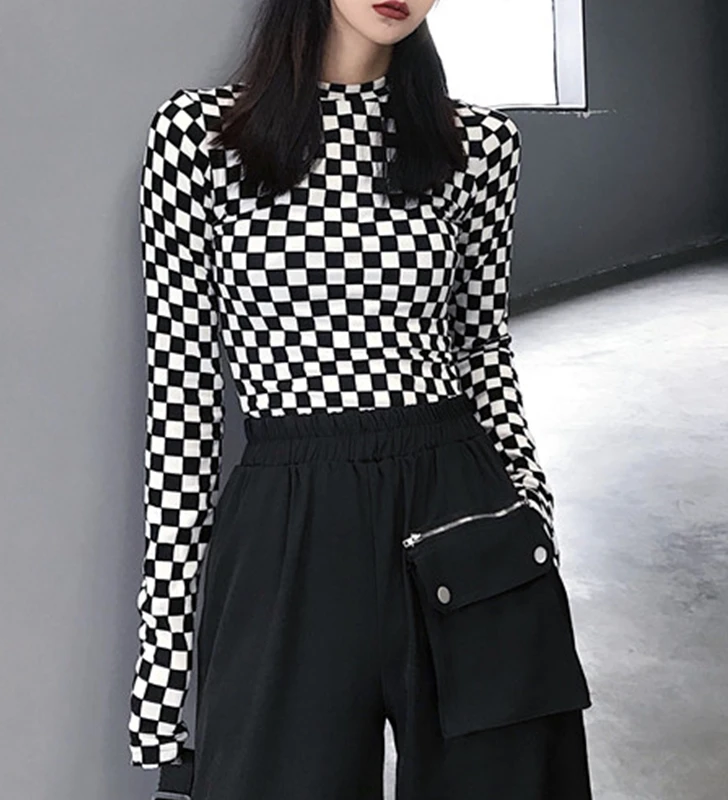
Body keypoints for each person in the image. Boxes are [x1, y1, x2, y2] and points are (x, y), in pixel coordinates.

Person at [128, 0, 595, 797]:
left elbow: (481, 344)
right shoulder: (200, 139)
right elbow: (182, 394)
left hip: (460, 505)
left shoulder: (478, 145)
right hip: (290, 520)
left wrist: (531, 511)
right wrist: (163, 661)